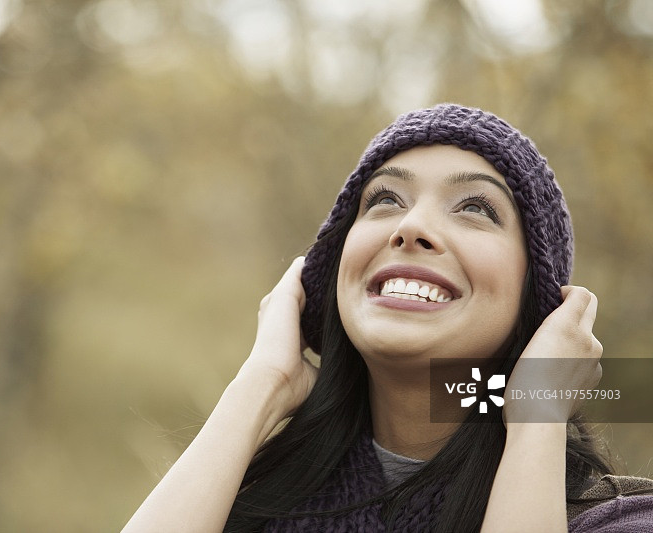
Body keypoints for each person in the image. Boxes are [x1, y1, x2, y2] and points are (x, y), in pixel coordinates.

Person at [122, 104, 653, 532]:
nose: (412, 225)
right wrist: (262, 383)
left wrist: (537, 410)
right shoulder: (236, 504)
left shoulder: (616, 520)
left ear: (538, 300)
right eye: (385, 200)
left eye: (475, 208)